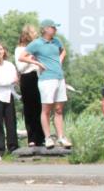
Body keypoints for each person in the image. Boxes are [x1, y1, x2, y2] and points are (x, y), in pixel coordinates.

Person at [23, 19, 71, 149]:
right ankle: (48, 138)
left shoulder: (57, 41)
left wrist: (59, 60)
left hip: (59, 77)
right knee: (46, 110)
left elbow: (63, 51)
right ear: (45, 29)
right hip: (46, 79)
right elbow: (22, 57)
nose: (55, 30)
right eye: (53, 27)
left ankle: (61, 137)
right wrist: (37, 63)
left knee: (59, 109)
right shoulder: (36, 43)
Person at [15, 25, 45, 147]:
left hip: (38, 77)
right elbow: (20, 68)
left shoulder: (37, 48)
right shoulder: (20, 49)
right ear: (27, 34)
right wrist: (31, 59)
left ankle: (41, 137)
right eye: (33, 32)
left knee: (40, 108)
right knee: (29, 109)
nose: (36, 34)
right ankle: (31, 138)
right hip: (27, 78)